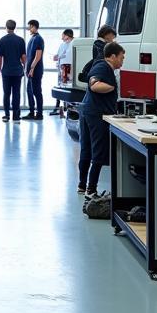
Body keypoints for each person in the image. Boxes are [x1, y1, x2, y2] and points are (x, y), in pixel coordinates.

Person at [77, 41, 126, 198]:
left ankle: (82, 185)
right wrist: (112, 87)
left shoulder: (101, 66)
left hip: (88, 110)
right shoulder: (102, 66)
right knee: (97, 150)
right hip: (96, 113)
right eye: (121, 57)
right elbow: (94, 85)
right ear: (112, 56)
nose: (122, 61)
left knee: (86, 149)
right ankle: (91, 189)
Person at [0, 19, 27, 122]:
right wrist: (25, 66)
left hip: (6, 72)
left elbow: (0, 57)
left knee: (6, 93)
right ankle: (16, 116)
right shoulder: (20, 40)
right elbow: (23, 57)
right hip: (18, 71)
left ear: (6, 27)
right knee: (16, 93)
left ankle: (6, 115)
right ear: (15, 27)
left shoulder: (2, 40)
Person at [51, 28, 74, 116]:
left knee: (67, 89)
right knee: (61, 88)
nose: (62, 38)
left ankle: (68, 109)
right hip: (62, 69)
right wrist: (56, 57)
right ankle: (57, 108)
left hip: (69, 70)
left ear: (67, 36)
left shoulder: (74, 44)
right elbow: (59, 55)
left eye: (63, 35)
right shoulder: (62, 45)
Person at [25, 19, 45, 119]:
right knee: (29, 91)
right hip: (30, 71)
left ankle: (40, 113)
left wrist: (32, 69)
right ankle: (32, 112)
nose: (28, 28)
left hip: (35, 71)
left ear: (33, 27)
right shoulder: (33, 38)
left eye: (29, 26)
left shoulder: (38, 39)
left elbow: (38, 56)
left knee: (36, 91)